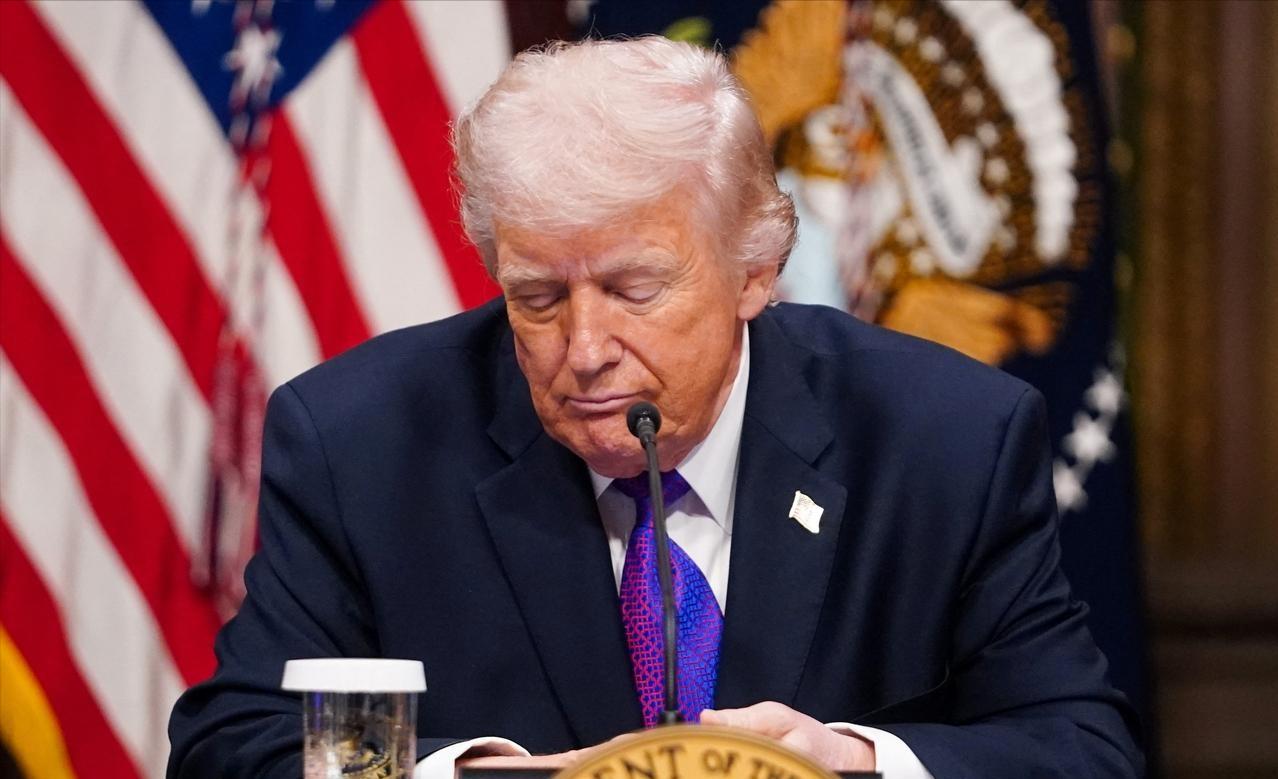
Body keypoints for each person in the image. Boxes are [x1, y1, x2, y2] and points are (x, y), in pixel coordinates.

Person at [167, 38, 1142, 778]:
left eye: (634, 289)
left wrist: (850, 762)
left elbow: (1082, 745)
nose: (585, 349)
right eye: (538, 297)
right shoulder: (361, 444)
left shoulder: (944, 439)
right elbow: (232, 743)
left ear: (755, 269)